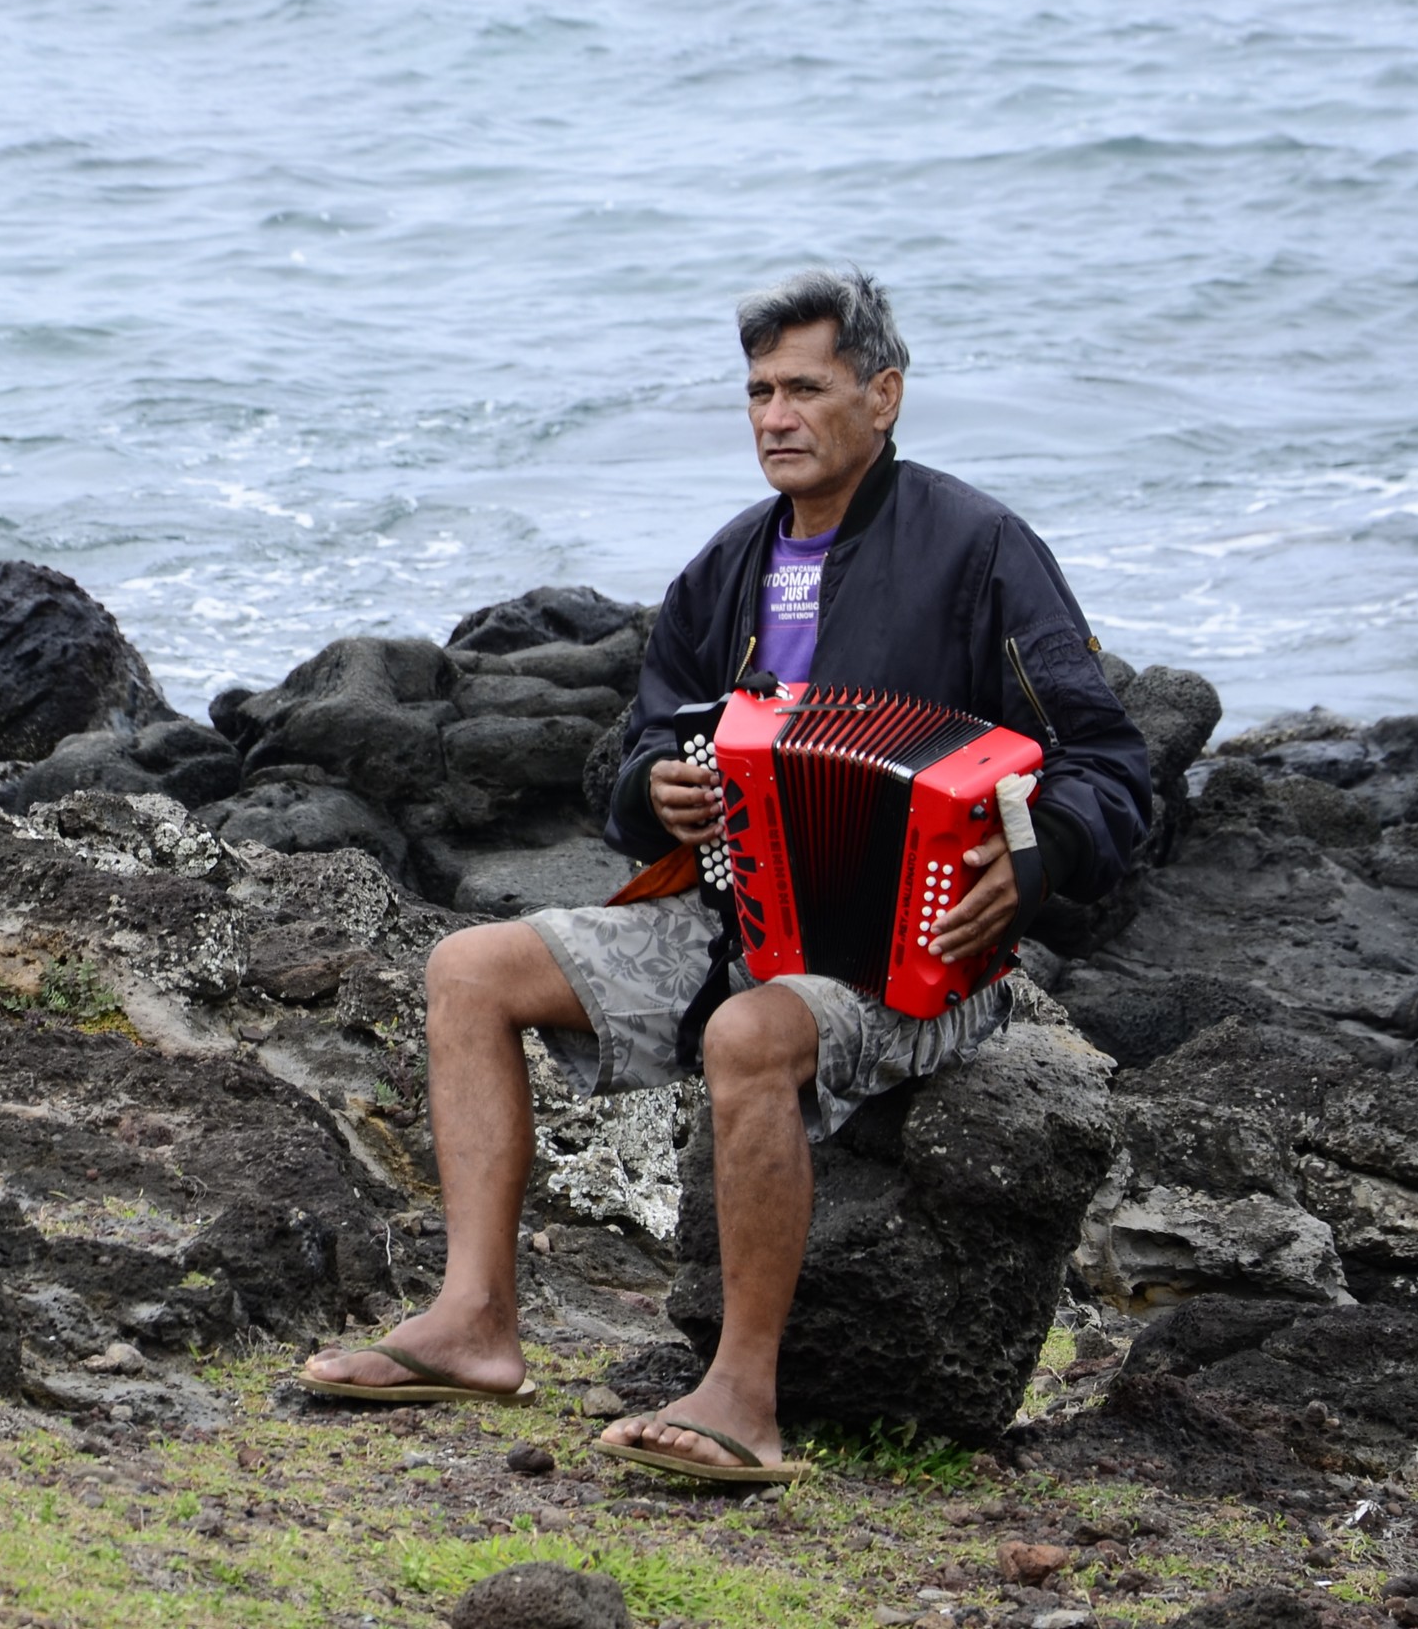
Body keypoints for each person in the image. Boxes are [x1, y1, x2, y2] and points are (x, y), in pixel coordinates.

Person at [297, 267, 1152, 1481]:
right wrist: (655, 794)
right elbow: (641, 753)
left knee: (750, 1035)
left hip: (914, 957)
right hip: (733, 919)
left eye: (804, 387)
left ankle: (740, 1399)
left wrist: (1036, 854)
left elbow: (1109, 762)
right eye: (757, 391)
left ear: (883, 396)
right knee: (467, 968)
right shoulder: (730, 567)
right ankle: (475, 1324)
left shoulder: (982, 550)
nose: (774, 416)